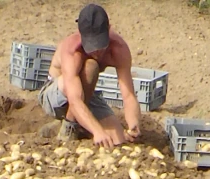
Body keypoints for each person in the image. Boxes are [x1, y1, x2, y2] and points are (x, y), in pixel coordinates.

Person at [39, 5, 141, 150]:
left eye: (100, 44)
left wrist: (133, 123)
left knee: (117, 139)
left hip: (86, 94)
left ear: (109, 29)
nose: (97, 51)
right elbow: (74, 100)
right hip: (56, 94)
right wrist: (97, 131)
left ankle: (69, 125)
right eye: (91, 45)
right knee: (91, 67)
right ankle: (69, 127)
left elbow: (129, 95)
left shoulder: (118, 48)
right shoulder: (72, 50)